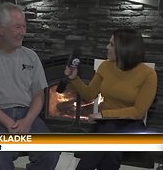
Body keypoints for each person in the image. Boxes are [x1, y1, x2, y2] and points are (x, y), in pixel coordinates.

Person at [0, 2, 60, 170]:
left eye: (24, 27)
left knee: (51, 151)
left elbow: (39, 95)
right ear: (1, 29)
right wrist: (10, 123)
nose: (23, 32)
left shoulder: (31, 57)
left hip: (27, 115)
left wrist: (27, 121)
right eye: (17, 27)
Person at [64, 28, 157, 170]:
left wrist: (103, 114)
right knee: (112, 149)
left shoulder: (148, 74)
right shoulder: (106, 66)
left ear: (125, 48)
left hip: (130, 124)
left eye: (112, 44)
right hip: (106, 124)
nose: (107, 47)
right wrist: (74, 78)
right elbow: (90, 94)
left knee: (108, 135)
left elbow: (138, 111)